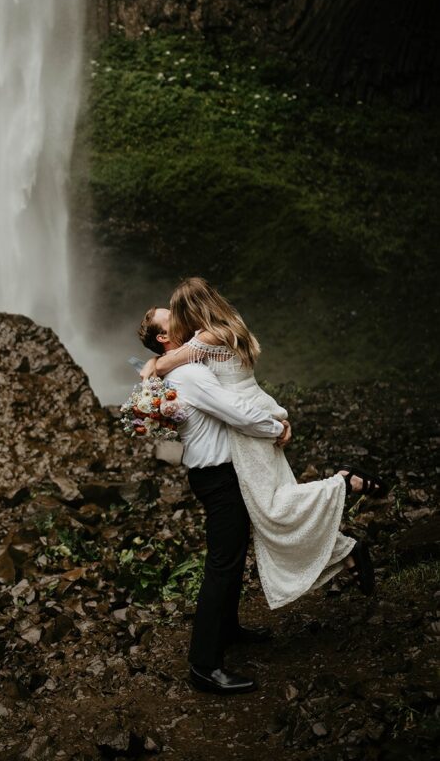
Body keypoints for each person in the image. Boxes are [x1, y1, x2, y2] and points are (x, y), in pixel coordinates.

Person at [139, 281, 384, 627]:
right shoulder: (229, 324)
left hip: (249, 428)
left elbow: (169, 365)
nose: (177, 321)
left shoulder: (202, 342)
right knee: (275, 506)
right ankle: (344, 553)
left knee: (272, 508)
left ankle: (344, 483)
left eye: (177, 312)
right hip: (259, 411)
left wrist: (152, 366)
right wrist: (276, 420)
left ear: (191, 311)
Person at [138, 305, 292, 694]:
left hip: (220, 474)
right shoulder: (189, 373)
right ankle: (204, 666)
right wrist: (277, 427)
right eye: (170, 315)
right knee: (222, 565)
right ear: (162, 336)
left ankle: (229, 630)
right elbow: (235, 411)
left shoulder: (179, 363)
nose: (180, 313)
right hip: (217, 476)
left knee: (233, 556)